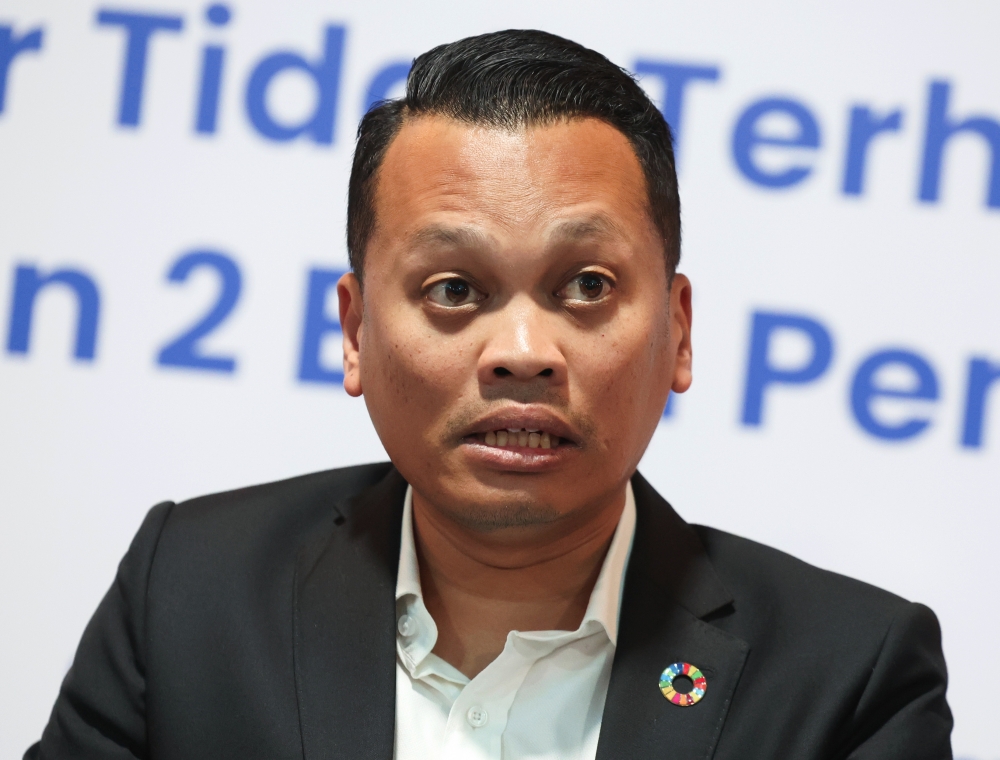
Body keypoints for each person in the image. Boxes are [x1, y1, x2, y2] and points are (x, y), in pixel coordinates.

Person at [27, 29, 952, 760]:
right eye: (454, 289)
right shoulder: (191, 592)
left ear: (678, 331)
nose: (522, 354)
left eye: (586, 285)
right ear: (356, 331)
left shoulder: (849, 679)